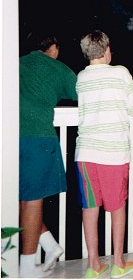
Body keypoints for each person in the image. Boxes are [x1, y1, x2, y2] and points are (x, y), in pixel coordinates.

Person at [75, 30, 133, 278]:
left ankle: (93, 265)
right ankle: (118, 263)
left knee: (90, 207)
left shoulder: (81, 77)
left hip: (85, 153)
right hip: (113, 152)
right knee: (117, 207)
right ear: (106, 50)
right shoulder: (121, 72)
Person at [19, 33, 77, 277]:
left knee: (19, 198)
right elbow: (81, 94)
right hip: (39, 139)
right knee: (32, 201)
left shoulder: (18, 63)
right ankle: (27, 268)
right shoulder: (58, 68)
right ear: (53, 48)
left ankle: (50, 246)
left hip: (11, 138)